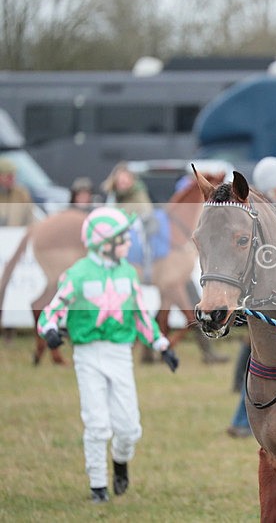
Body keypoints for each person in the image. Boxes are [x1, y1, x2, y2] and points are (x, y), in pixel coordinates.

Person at [36, 206, 179, 503]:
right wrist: (49, 330)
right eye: (123, 238)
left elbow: (140, 316)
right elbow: (52, 311)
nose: (129, 243)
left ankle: (120, 462)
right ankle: (98, 487)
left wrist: (162, 345)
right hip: (88, 355)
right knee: (97, 422)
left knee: (129, 429)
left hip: (120, 355)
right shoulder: (77, 274)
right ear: (104, 242)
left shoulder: (128, 273)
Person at [227, 156, 276, 439]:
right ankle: (242, 420)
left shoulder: (263, 207)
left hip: (263, 298)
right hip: (265, 299)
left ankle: (244, 419)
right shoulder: (261, 211)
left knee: (256, 358)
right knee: (261, 361)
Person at [0, 156, 36, 226]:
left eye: (14, 176)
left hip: (16, 235)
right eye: (8, 176)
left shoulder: (21, 194)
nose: (12, 179)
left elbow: (30, 219)